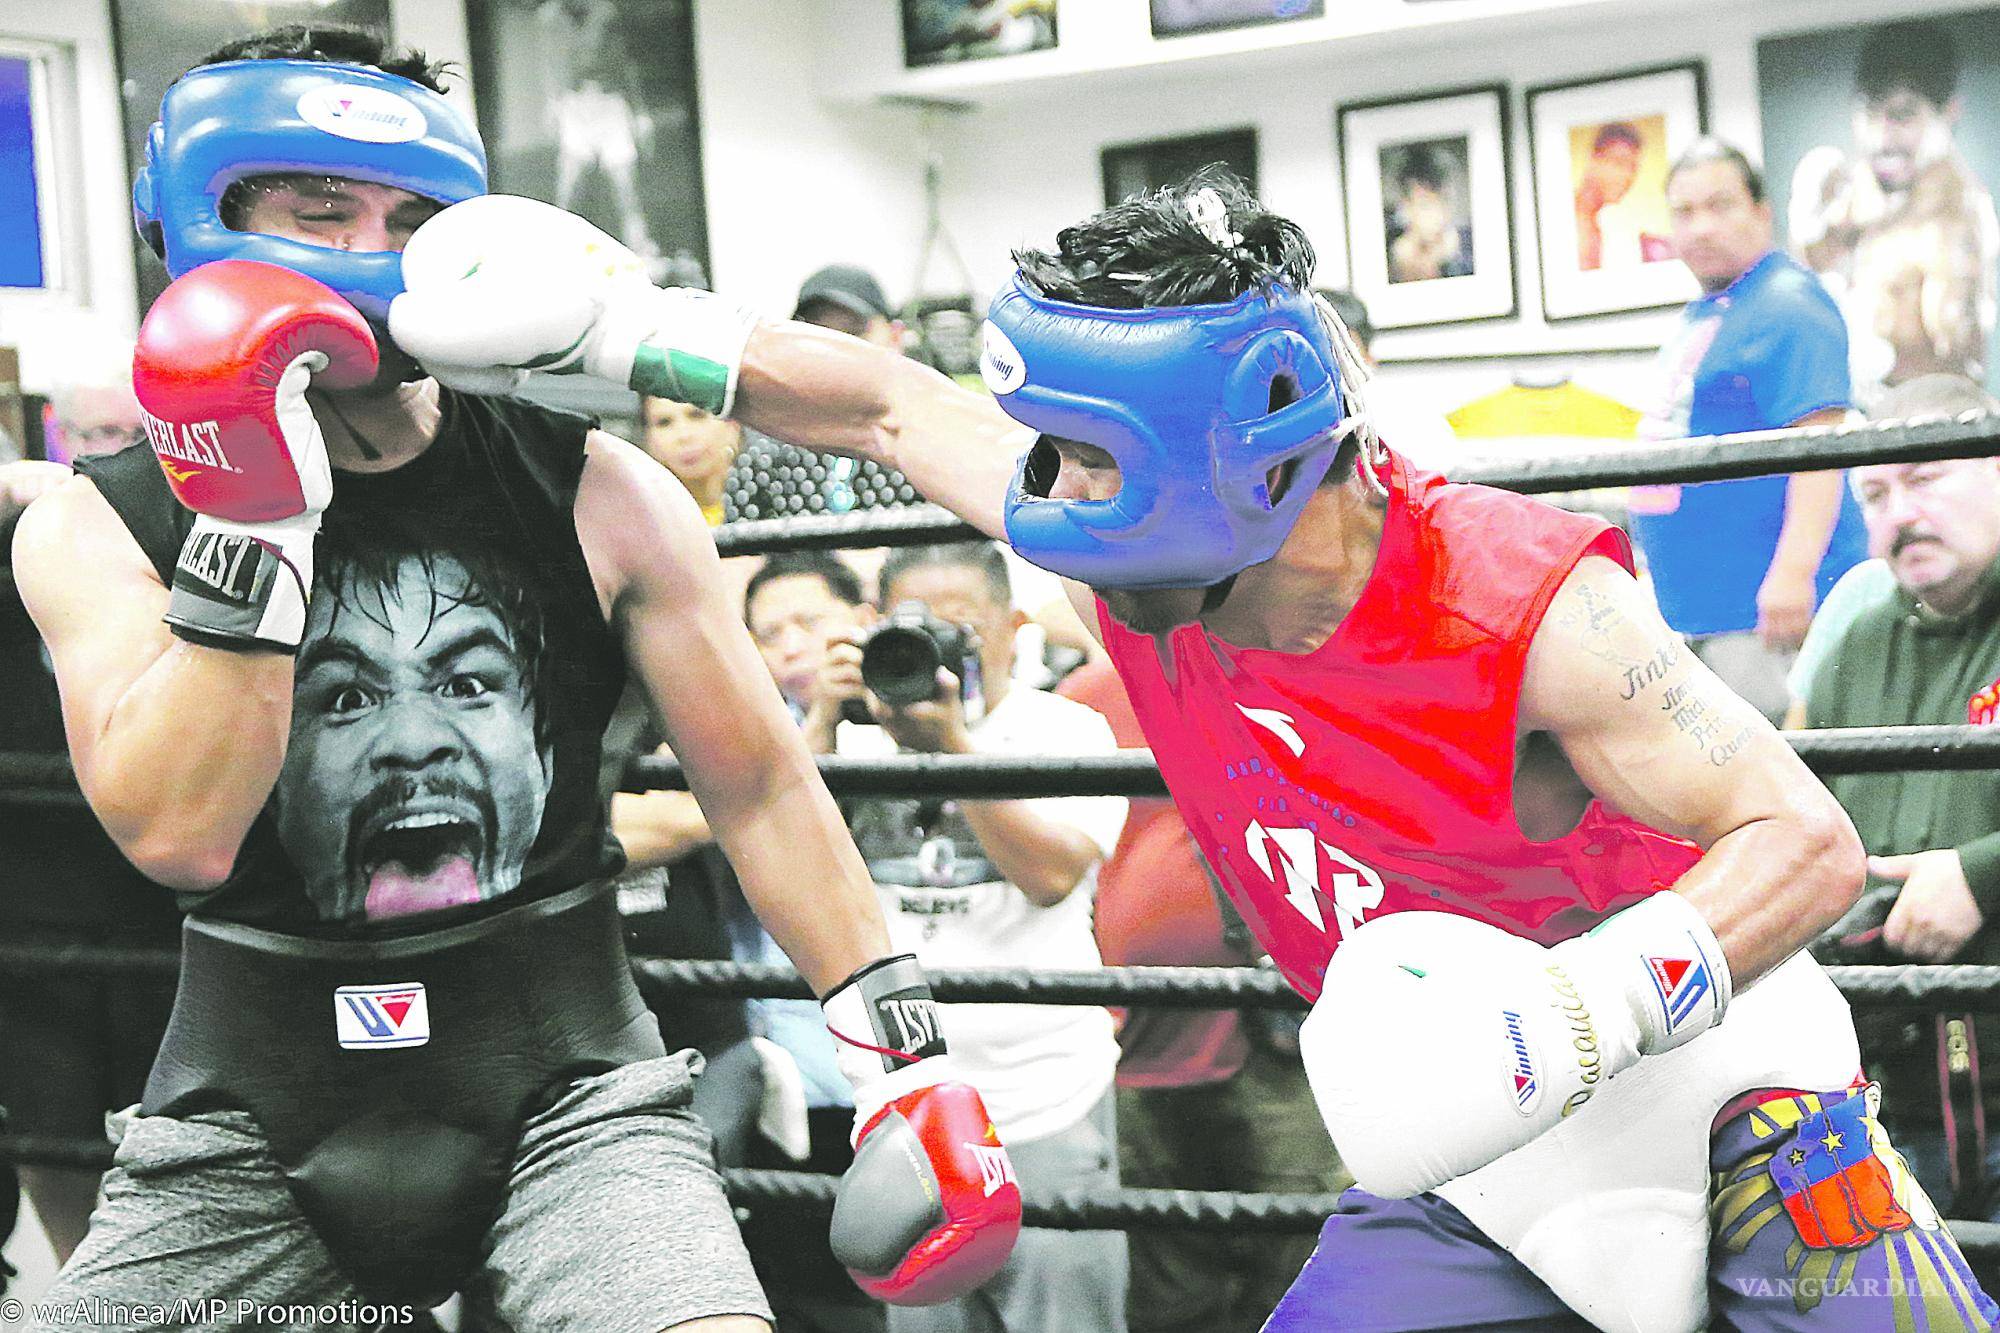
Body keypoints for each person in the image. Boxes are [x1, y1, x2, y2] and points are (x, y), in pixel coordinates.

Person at [387, 163, 1998, 1329]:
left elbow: (1809, 840)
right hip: (1459, 1159)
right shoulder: (1130, 550)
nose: (1041, 495)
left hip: (1718, 1101)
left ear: (1226, 450)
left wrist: (1581, 1011)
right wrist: (624, 326)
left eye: (1083, 458)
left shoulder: (1526, 606)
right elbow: (883, 406)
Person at [12, 26, 1019, 1331]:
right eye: (319, 212)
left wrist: (903, 1065)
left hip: (575, 1096)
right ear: (192, 225)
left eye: (412, 218)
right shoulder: (100, 524)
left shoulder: (604, 491)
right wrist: (256, 519)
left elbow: (763, 785)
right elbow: (181, 832)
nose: (369, 253)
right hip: (246, 1132)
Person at [825, 541, 1129, 1333]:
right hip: (905, 1107)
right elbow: (781, 860)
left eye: (962, 623)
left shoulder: (1067, 728)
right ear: (872, 627)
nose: (940, 644)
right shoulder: (849, 740)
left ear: (1013, 626)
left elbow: (1050, 875)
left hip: (1045, 1098)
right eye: (915, 625)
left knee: (1066, 1319)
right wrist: (824, 716)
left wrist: (950, 749)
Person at [1059, 655, 1346, 1333]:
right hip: (1132, 1032)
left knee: (1300, 1257)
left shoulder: (1283, 668)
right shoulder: (1083, 701)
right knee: (1166, 1273)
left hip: (1271, 1027)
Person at [1797, 373, 2000, 1223]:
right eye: (1875, 492)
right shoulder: (1857, 634)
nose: (1900, 512)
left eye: (1926, 478)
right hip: (1885, 1068)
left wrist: (1981, 875)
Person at [0, 457, 180, 1270]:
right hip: (28, 914)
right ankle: (88, 1288)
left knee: (178, 1135)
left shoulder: (140, 529)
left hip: (160, 897)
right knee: (51, 1118)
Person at [1627, 137, 1869, 722]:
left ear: (1762, 212)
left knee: (1784, 783)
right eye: (1684, 213)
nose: (1701, 227)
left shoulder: (1787, 304)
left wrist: (1793, 573)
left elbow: (1818, 445)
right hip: (1706, 608)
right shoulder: (1715, 309)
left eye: (1720, 205)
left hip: (1764, 612)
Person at [1790, 18, 2000, 410]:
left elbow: (1955, 345)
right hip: (1849, 424)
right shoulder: (1841, 198)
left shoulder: (1963, 210)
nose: (1882, 136)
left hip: (1932, 422)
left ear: (1948, 113)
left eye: (1903, 115)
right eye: (1871, 113)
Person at [641, 393, 741, 527]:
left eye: (697, 415)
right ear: (649, 440)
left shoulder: (770, 501)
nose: (684, 435)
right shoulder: (642, 522)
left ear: (732, 425)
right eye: (664, 422)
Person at [1384, 145, 1472, 283]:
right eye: (1426, 205)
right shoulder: (1388, 257)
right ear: (1406, 207)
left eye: (1444, 202)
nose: (1440, 216)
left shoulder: (1465, 250)